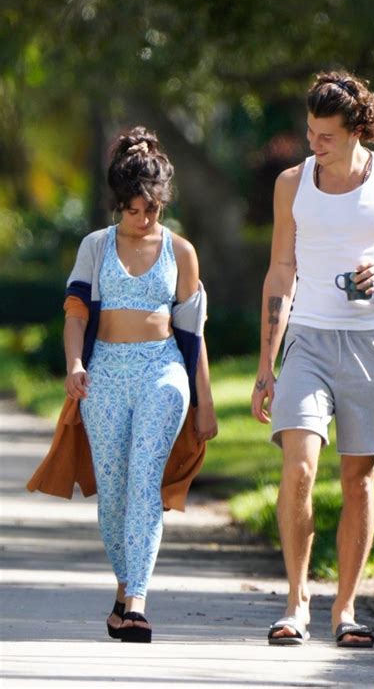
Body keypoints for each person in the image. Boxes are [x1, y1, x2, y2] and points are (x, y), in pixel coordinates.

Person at [251, 71, 374, 648]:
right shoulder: (292, 183)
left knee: (359, 480)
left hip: (369, 344)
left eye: (327, 136)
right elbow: (281, 270)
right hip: (307, 340)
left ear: (358, 130)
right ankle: (295, 603)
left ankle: (346, 608)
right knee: (299, 467)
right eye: (310, 131)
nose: (315, 143)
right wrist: (267, 362)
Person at [64, 126, 218, 643]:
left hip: (162, 371)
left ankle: (137, 604)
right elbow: (76, 315)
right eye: (134, 209)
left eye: (152, 208)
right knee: (113, 492)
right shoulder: (95, 247)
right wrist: (74, 366)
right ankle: (123, 587)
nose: (144, 218)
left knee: (144, 482)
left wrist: (204, 402)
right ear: (118, 203)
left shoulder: (181, 251)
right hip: (104, 372)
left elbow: (192, 334)